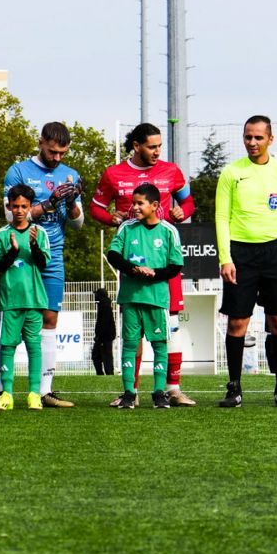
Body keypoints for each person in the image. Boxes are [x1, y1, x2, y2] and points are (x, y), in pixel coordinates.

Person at [91, 122, 197, 407]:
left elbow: (189, 204)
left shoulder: (171, 171)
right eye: (152, 146)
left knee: (171, 323)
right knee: (133, 329)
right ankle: (132, 392)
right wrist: (110, 218)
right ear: (136, 146)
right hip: (133, 263)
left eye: (159, 146)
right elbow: (96, 208)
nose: (157, 151)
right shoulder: (114, 174)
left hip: (162, 261)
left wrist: (181, 210)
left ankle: (171, 389)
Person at [214, 115, 277, 408]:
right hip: (241, 254)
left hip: (275, 253)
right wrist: (226, 258)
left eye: (258, 137)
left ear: (270, 140)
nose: (252, 142)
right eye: (248, 137)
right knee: (238, 322)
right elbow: (221, 217)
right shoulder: (231, 173)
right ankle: (234, 387)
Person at [2, 122, 84, 408]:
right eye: (52, 151)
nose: (57, 158)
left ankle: (44, 391)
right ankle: (6, 390)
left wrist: (71, 202)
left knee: (50, 320)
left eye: (62, 153)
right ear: (40, 142)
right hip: (22, 258)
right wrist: (48, 204)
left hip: (52, 257)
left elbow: (77, 222)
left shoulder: (70, 175)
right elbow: (10, 217)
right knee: (14, 321)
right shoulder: (18, 171)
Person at [106, 183, 184, 410]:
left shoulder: (169, 231)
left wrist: (153, 273)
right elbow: (113, 255)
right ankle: (130, 393)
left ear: (155, 205)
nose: (135, 207)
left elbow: (175, 266)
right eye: (134, 203)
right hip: (130, 298)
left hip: (157, 299)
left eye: (140, 203)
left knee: (160, 346)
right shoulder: (127, 228)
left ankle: (159, 393)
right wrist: (132, 269)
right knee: (129, 345)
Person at [0, 184, 51, 411]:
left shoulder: (40, 233)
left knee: (34, 346)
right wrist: (13, 251)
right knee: (7, 347)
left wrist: (33, 245)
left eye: (24, 206)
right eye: (15, 206)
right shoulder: (1, 234)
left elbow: (43, 263)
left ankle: (34, 393)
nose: (19, 210)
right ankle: (7, 394)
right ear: (8, 206)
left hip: (34, 299)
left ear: (31, 207)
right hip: (10, 300)